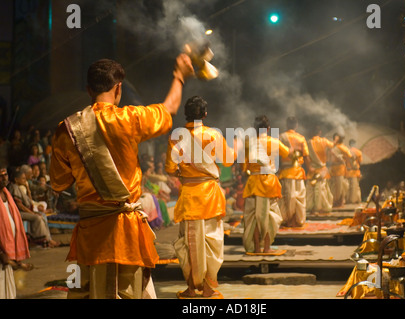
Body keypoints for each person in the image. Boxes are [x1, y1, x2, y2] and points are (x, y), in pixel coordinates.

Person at [49, 54, 194, 299]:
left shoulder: (67, 129)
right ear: (118, 89)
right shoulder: (130, 119)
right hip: (125, 234)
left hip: (90, 237)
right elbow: (169, 109)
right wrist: (179, 75)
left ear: (88, 90)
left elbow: (59, 182)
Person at [165, 96, 236, 299]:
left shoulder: (176, 137)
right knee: (212, 241)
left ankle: (190, 288)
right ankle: (207, 289)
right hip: (210, 195)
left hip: (189, 195)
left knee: (189, 243)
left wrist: (185, 174)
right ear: (204, 114)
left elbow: (170, 169)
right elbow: (229, 160)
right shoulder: (213, 134)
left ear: (186, 114)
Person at [241, 115, 290, 254]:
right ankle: (267, 247)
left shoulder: (249, 143)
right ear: (268, 128)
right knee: (269, 215)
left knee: (254, 217)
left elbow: (244, 166)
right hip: (269, 182)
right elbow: (286, 153)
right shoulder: (274, 142)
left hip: (253, 183)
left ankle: (256, 247)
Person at [0, 167, 32, 299]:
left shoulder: (7, 194)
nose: (4, 178)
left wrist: (18, 263)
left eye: (5, 174)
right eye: (0, 176)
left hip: (6, 252)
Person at [7, 170, 58, 248]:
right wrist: (31, 213)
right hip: (17, 212)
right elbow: (19, 205)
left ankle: (48, 239)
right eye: (23, 179)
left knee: (42, 215)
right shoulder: (14, 187)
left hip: (24, 211)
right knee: (37, 217)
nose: (25, 180)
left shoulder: (20, 187)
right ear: (16, 179)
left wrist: (27, 187)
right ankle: (42, 241)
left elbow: (29, 200)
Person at [278, 116, 309, 227]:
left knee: (288, 197)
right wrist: (309, 170)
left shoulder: (281, 137)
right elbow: (306, 157)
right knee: (299, 197)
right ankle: (299, 220)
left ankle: (287, 220)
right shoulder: (301, 138)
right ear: (296, 125)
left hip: (286, 172)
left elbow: (277, 156)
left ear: (287, 125)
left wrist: (277, 171)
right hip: (298, 172)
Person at [305, 127, 335, 214]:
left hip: (312, 169)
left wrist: (309, 167)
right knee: (321, 189)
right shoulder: (324, 141)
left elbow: (306, 157)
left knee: (311, 190)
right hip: (322, 170)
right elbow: (333, 146)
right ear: (320, 132)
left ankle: (311, 208)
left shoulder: (308, 142)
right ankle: (321, 207)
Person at [328, 133, 353, 208]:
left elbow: (349, 156)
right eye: (335, 138)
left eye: (337, 138)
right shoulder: (333, 146)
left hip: (340, 169)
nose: (335, 140)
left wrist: (341, 158)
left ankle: (340, 202)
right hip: (332, 169)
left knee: (340, 186)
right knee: (333, 186)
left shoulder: (342, 147)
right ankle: (334, 202)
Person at [345, 139, 363, 204]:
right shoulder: (358, 152)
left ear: (349, 144)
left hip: (347, 172)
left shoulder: (346, 151)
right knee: (355, 187)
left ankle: (347, 200)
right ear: (355, 144)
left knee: (348, 187)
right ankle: (353, 200)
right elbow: (360, 162)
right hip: (355, 172)